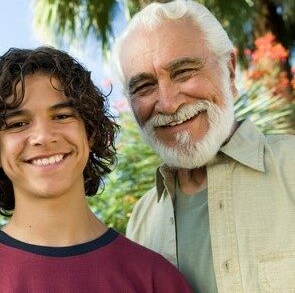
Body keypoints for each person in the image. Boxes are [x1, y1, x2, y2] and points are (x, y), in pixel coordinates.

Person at [114, 0, 295, 292]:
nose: (169, 103)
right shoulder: (142, 220)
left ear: (230, 71)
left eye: (183, 71)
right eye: (144, 86)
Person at [0, 46, 193, 293]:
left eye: (61, 116)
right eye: (18, 123)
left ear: (89, 131)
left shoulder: (154, 279)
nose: (43, 137)